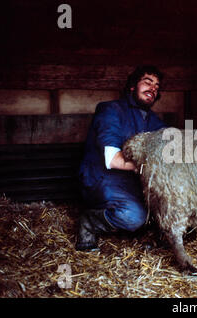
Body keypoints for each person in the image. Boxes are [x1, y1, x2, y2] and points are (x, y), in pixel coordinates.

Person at [76, 65, 167, 251]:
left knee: (167, 208)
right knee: (132, 216)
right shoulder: (111, 110)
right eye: (148, 83)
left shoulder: (155, 121)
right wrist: (146, 166)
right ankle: (89, 222)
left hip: (132, 183)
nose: (153, 89)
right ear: (133, 86)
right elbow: (112, 160)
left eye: (157, 87)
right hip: (102, 179)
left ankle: (140, 230)